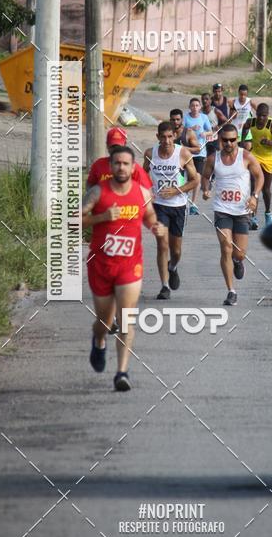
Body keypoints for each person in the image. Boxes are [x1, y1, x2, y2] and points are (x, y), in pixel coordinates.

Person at [82, 145, 164, 391]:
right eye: (116, 163)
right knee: (105, 322)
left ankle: (122, 372)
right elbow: (74, 220)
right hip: (101, 265)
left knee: (126, 318)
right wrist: (102, 217)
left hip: (129, 265)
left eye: (125, 163)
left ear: (133, 167)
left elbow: (149, 216)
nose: (121, 167)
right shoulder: (98, 193)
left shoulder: (141, 193)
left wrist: (155, 227)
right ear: (110, 166)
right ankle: (98, 340)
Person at [201, 124, 264, 306]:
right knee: (226, 247)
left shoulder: (246, 157)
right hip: (222, 210)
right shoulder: (213, 159)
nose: (229, 143)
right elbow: (205, 176)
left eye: (232, 140)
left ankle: (238, 261)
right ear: (220, 140)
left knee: (239, 253)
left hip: (242, 210)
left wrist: (255, 196)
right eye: (225, 140)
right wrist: (206, 189)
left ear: (237, 140)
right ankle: (231, 291)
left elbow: (259, 176)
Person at [143, 121, 197, 300]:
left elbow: (195, 180)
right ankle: (164, 286)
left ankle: (172, 267)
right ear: (157, 137)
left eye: (169, 137)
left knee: (176, 251)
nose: (166, 141)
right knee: (162, 244)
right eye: (163, 137)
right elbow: (141, 177)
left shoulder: (183, 153)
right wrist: (147, 192)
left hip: (179, 206)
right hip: (159, 206)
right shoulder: (150, 154)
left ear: (174, 136)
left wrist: (176, 190)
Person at [243, 103, 272, 227]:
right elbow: (244, 132)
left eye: (264, 116)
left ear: (268, 115)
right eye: (259, 115)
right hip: (255, 155)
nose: (261, 118)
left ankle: (268, 213)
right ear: (256, 114)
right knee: (254, 186)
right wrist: (244, 143)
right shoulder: (250, 122)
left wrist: (270, 142)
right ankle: (253, 217)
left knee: (266, 189)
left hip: (269, 158)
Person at [86, 127, 151, 190]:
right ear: (107, 146)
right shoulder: (98, 165)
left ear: (125, 145)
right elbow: (89, 185)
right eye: (113, 146)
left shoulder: (134, 167)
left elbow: (147, 190)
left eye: (118, 146)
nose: (116, 150)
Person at [183, 97, 213, 214]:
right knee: (188, 177)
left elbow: (210, 131)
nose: (195, 107)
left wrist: (204, 133)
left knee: (197, 177)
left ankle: (193, 204)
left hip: (200, 152)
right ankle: (183, 200)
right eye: (193, 105)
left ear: (200, 107)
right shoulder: (186, 117)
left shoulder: (204, 117)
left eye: (197, 105)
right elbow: (181, 130)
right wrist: (191, 128)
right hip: (187, 151)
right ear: (190, 107)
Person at [201, 92, 221, 157]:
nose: (204, 101)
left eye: (206, 99)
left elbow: (227, 121)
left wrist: (219, 126)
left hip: (214, 139)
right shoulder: (199, 112)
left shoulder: (215, 111)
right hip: (203, 139)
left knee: (214, 158)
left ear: (210, 100)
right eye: (203, 99)